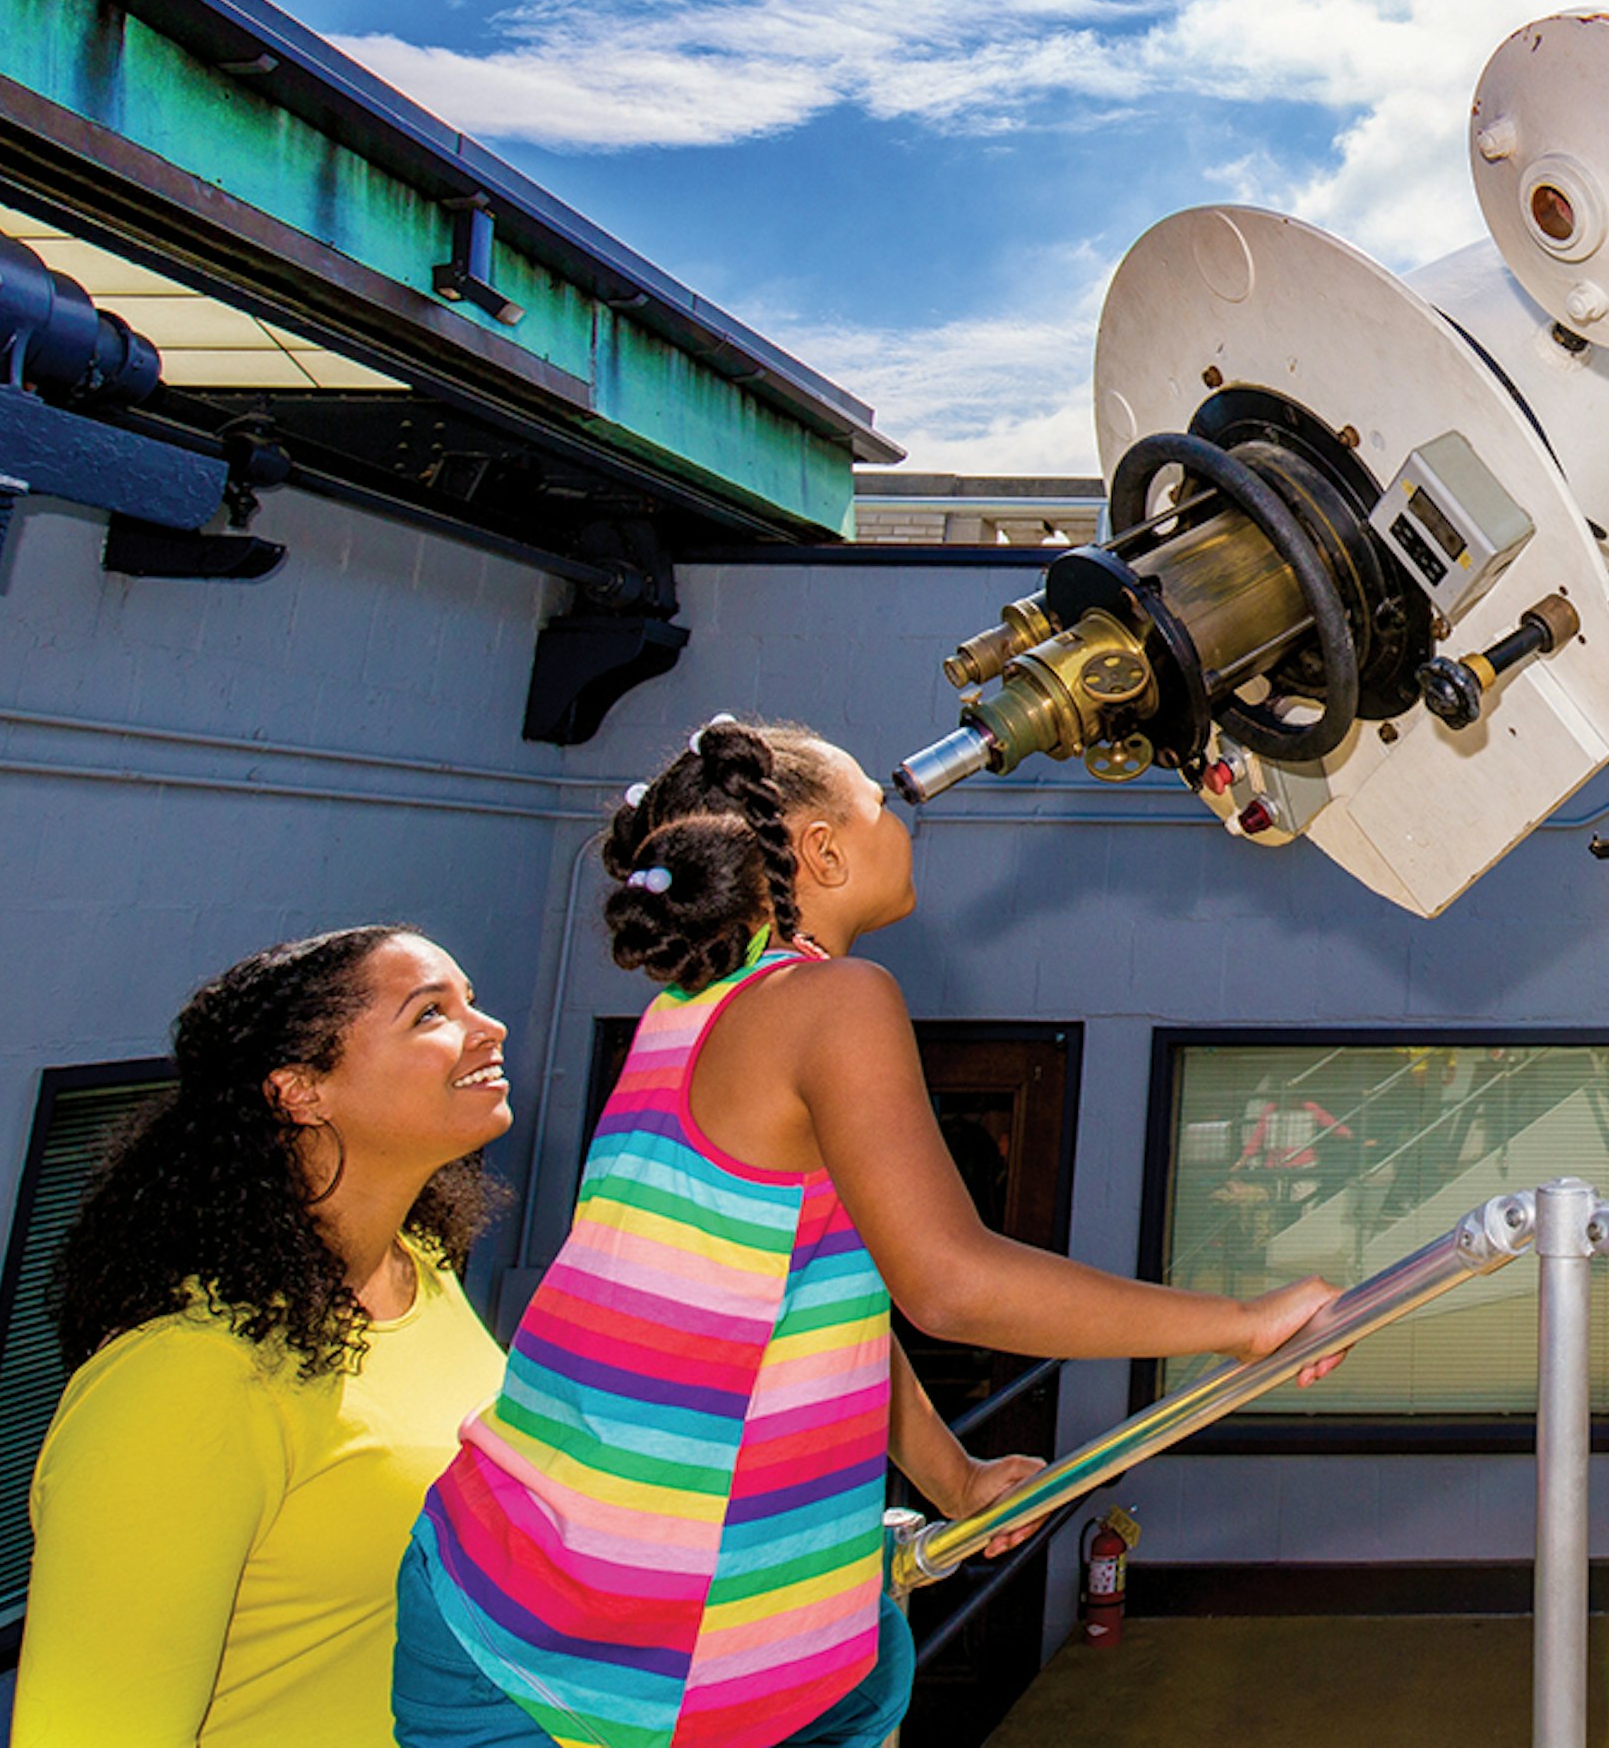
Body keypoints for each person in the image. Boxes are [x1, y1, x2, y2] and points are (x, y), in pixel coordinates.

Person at [398, 717, 1340, 1748]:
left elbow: (806, 1307)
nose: (908, 824)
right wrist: (1241, 1321)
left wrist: (958, 1478)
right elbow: (950, 1282)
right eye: (883, 805)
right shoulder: (835, 999)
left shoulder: (688, 1006)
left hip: (488, 1585)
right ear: (824, 850)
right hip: (630, 1657)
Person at [17, 924, 518, 1747]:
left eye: (469, 998)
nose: (488, 1025)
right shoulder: (182, 1383)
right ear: (300, 1092)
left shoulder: (419, 1267)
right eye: (430, 1013)